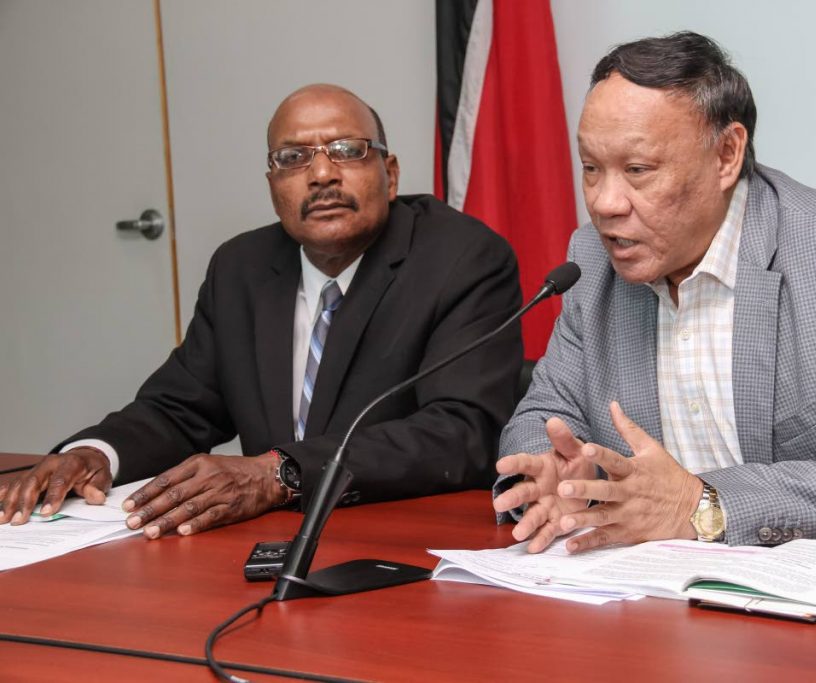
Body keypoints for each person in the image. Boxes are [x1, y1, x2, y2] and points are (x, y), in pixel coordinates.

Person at [493, 32, 816, 553]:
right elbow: (543, 416)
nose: (606, 203)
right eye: (591, 169)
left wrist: (705, 504)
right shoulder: (592, 258)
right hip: (647, 601)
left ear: (726, 154)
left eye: (638, 171)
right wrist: (557, 480)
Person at [0, 84, 523, 538]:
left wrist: (280, 474)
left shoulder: (462, 259)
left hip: (399, 541)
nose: (320, 174)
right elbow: (181, 406)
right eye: (293, 158)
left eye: (346, 150)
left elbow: (462, 432)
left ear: (389, 174)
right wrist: (96, 454)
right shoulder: (241, 268)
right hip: (266, 544)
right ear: (273, 188)